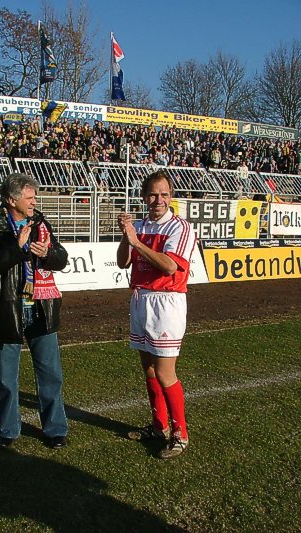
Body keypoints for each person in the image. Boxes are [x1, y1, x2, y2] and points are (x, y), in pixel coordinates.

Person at [0, 172, 69, 449]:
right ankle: (8, 430)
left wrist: (47, 254)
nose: (34, 202)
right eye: (29, 198)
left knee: (50, 374)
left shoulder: (41, 224)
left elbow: (61, 259)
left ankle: (55, 429)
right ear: (11, 199)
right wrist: (16, 248)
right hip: (8, 309)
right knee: (6, 378)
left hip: (42, 307)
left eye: (34, 197)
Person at [117, 169, 196, 459]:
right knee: (148, 368)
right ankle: (158, 425)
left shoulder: (180, 227)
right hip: (140, 299)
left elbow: (170, 266)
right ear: (143, 196)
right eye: (152, 194)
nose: (158, 200)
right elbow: (123, 262)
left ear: (171, 196)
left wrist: (137, 242)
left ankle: (180, 434)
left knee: (164, 372)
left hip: (167, 302)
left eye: (163, 194)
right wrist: (126, 237)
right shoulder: (139, 225)